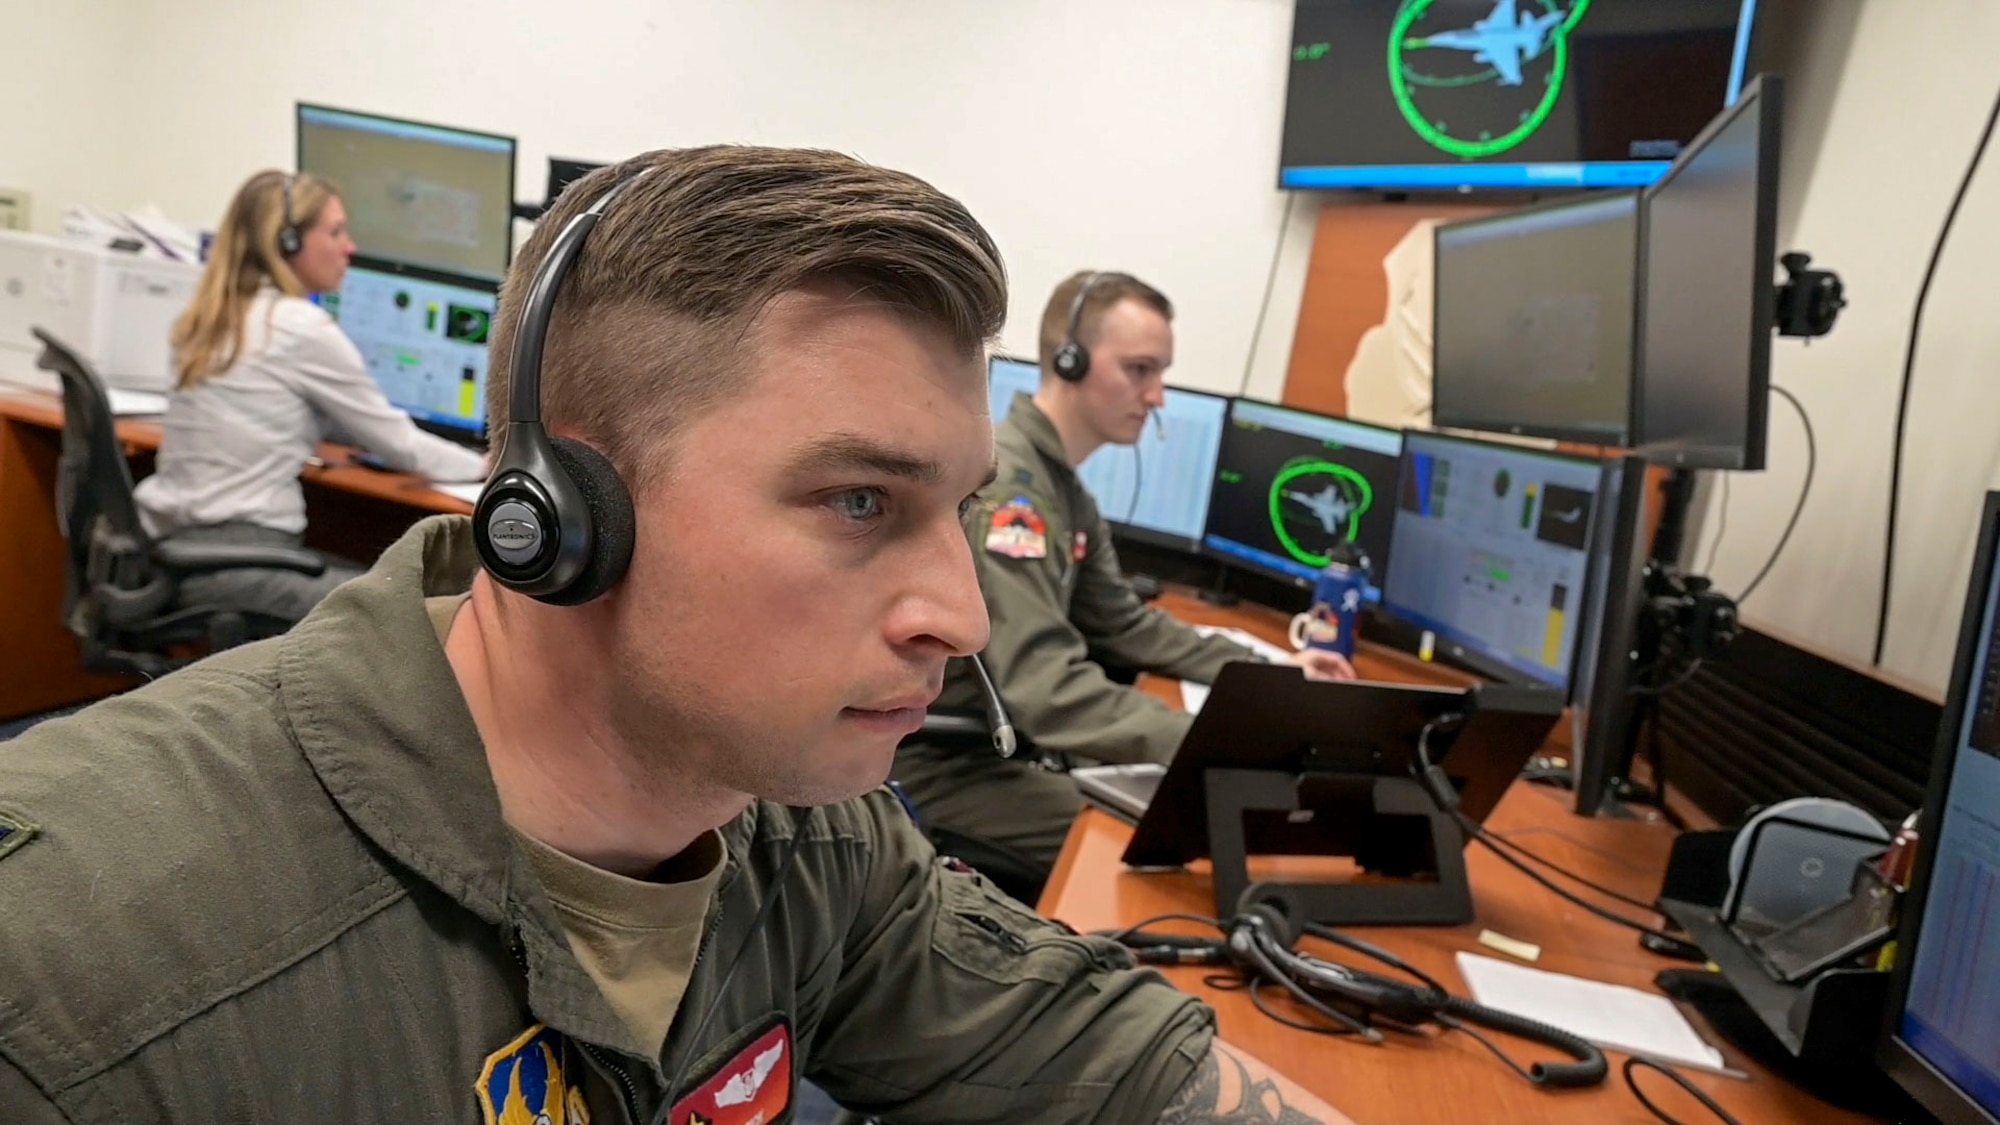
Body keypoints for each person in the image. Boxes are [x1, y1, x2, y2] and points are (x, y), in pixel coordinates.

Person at [0, 148, 1354, 1124]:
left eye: (959, 509)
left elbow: (1106, 1056)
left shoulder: (803, 825)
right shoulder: (76, 984)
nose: (954, 613)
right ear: (561, 513)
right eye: (858, 500)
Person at [894, 271, 1356, 886]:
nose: (1158, 394)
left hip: (1008, 744)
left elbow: (1126, 623)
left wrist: (1268, 677)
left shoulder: (1061, 488)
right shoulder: (1015, 494)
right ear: (1070, 361)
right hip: (948, 763)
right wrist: (1217, 744)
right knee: (1167, 847)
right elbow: (1045, 686)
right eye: (1140, 370)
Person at [132, 169, 488, 625]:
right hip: (242, 559)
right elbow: (399, 445)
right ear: (289, 243)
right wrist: (482, 465)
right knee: (400, 615)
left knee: (375, 587)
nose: (350, 247)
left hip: (174, 551)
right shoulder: (298, 326)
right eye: (336, 231)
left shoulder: (209, 318)